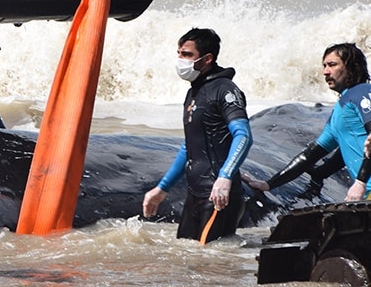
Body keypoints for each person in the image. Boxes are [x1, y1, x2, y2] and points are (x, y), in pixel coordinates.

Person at [142, 28, 253, 243]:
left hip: (219, 195)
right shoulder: (193, 92)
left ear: (207, 59)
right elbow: (189, 146)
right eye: (179, 54)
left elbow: (243, 136)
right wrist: (162, 188)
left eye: (187, 55)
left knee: (210, 266)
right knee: (186, 260)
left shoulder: (225, 90)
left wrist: (225, 176)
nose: (180, 60)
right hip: (195, 195)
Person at [244, 43, 371, 201]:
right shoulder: (340, 110)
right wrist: (268, 184)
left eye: (332, 65)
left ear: (353, 67)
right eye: (324, 66)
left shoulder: (362, 92)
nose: (325, 72)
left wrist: (360, 182)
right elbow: (310, 156)